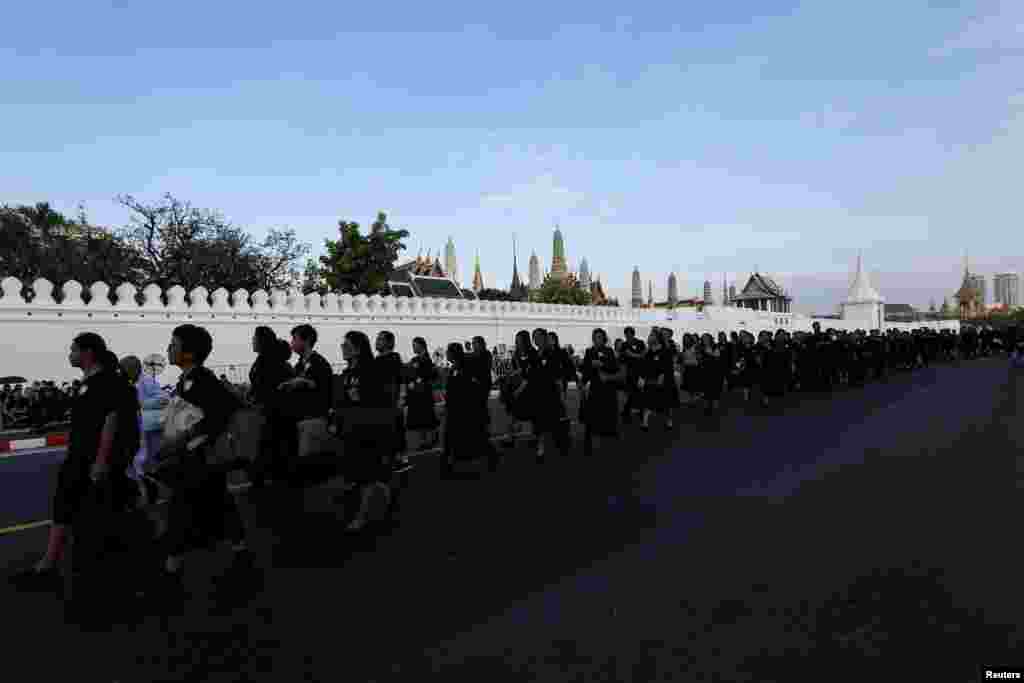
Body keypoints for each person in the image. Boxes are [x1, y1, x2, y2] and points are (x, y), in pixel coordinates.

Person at [9, 334, 139, 599]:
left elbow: (111, 421)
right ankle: (50, 564)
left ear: (87, 352)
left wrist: (101, 461)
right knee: (65, 506)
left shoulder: (107, 382)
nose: (69, 354)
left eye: (73, 349)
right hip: (78, 458)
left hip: (94, 462)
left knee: (98, 516)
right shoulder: (87, 384)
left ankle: (107, 578)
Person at [146, 324, 251, 608]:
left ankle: (172, 564)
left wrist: (188, 437)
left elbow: (223, 411)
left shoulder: (202, 379)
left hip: (200, 459)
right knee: (218, 501)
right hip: (196, 459)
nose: (169, 349)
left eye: (174, 344)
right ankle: (239, 546)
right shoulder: (186, 380)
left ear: (189, 353)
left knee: (182, 507)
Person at [334, 330, 393, 532]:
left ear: (358, 349)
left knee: (366, 475)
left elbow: (380, 401)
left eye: (347, 345)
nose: (343, 348)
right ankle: (385, 496)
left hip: (367, 429)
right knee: (364, 474)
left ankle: (362, 516)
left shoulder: (370, 371)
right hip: (350, 430)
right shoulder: (347, 373)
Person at [246, 326, 294, 490]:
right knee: (269, 447)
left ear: (262, 341)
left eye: (255, 338)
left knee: (271, 446)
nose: (252, 341)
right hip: (269, 412)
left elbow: (267, 388)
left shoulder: (269, 363)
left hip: (274, 412)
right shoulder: (262, 361)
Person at [440, 343, 497, 476]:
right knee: (453, 436)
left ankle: (490, 456)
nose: (446, 354)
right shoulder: (454, 368)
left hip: (465, 410)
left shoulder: (464, 368)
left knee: (476, 436)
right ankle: (448, 461)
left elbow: (469, 389)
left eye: (448, 352)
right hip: (456, 410)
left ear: (453, 353)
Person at [120, 355, 169, 506]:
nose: (121, 372)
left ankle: (153, 494)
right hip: (142, 429)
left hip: (151, 428)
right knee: (141, 464)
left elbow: (164, 398)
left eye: (123, 369)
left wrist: (140, 404)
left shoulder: (147, 382)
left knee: (151, 463)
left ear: (133, 369)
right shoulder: (130, 383)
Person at [579, 328, 622, 456]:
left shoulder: (609, 351)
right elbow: (586, 369)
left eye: (599, 337)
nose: (597, 340)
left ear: (604, 339)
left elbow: (614, 368)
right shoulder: (589, 351)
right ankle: (588, 440)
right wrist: (582, 381)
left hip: (608, 386)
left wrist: (602, 365)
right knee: (591, 413)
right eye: (595, 337)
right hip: (595, 387)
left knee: (609, 411)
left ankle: (611, 434)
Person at [404, 337, 440, 452]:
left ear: (421, 345)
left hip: (423, 393)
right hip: (416, 393)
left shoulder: (426, 359)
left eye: (415, 345)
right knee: (421, 418)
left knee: (426, 417)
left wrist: (419, 380)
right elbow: (409, 371)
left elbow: (430, 375)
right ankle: (424, 440)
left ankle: (431, 437)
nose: (413, 347)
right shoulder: (415, 359)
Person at [640, 328, 675, 430]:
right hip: (650, 380)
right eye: (650, 335)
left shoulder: (665, 351)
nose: (650, 337)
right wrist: (642, 378)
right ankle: (645, 422)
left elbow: (668, 366)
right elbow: (644, 366)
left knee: (665, 403)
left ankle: (668, 421)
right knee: (647, 401)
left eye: (652, 335)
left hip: (663, 381)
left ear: (657, 338)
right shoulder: (648, 351)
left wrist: (663, 376)